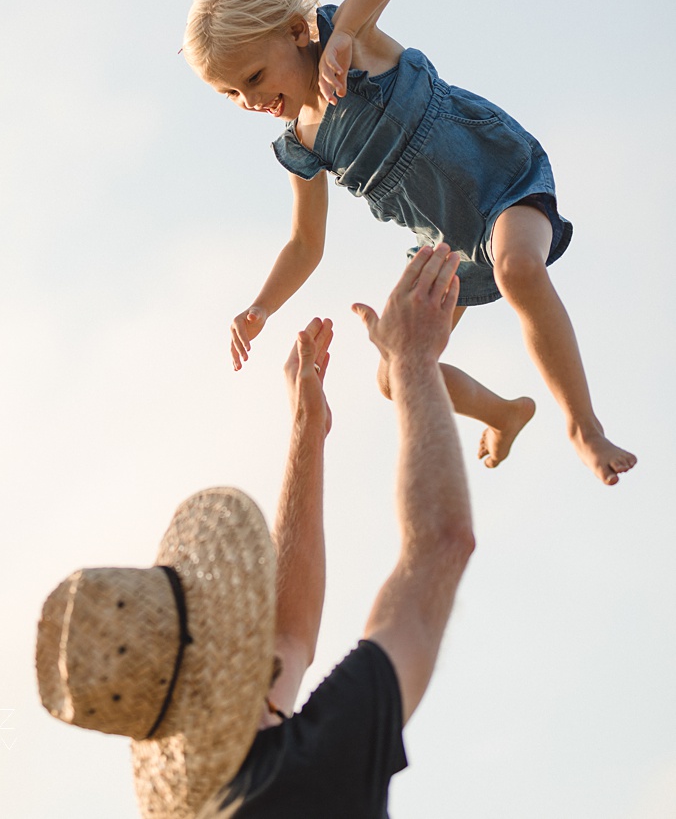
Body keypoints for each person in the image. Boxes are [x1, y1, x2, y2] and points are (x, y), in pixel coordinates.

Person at [35, 243, 477, 818]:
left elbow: (287, 640)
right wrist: (413, 359)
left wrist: (307, 427)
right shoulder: (304, 774)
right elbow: (441, 543)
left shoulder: (228, 796)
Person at [183, 0, 633, 486]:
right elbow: (305, 243)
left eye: (253, 77)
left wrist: (347, 29)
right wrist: (260, 308)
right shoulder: (301, 143)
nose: (250, 101)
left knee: (518, 271)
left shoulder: (344, 44)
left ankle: (584, 427)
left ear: (295, 32)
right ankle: (505, 413)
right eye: (232, 94)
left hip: (499, 177)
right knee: (398, 374)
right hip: (446, 241)